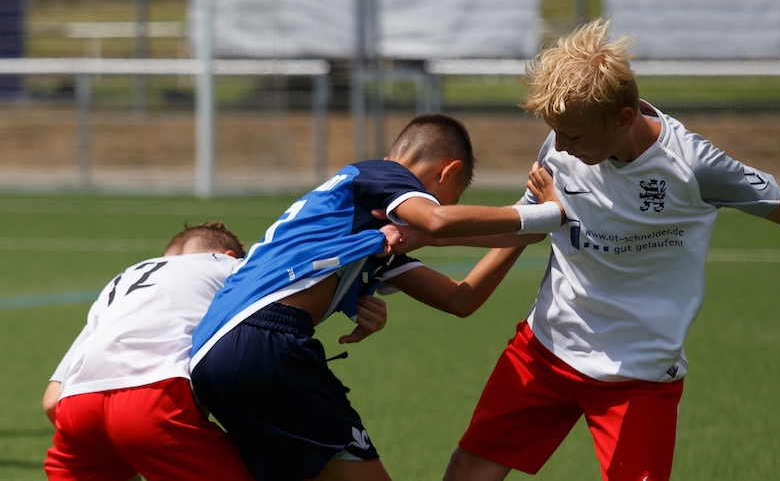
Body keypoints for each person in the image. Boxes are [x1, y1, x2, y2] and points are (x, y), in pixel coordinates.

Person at [443, 19, 780, 481]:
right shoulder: (563, 145)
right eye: (556, 133)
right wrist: (427, 232)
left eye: (573, 137)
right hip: (547, 349)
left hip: (639, 375)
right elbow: (524, 226)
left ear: (623, 119)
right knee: (468, 468)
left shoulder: (693, 165)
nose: (559, 147)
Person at [189, 113, 560, 481]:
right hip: (264, 340)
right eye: (453, 199)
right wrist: (550, 214)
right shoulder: (384, 175)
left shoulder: (369, 231)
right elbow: (437, 222)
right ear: (447, 173)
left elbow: (460, 299)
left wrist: (533, 217)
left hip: (213, 353)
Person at [42, 222, 264, 481]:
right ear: (229, 255)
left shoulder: (123, 281)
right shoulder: (231, 267)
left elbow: (52, 401)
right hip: (155, 397)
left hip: (78, 405)